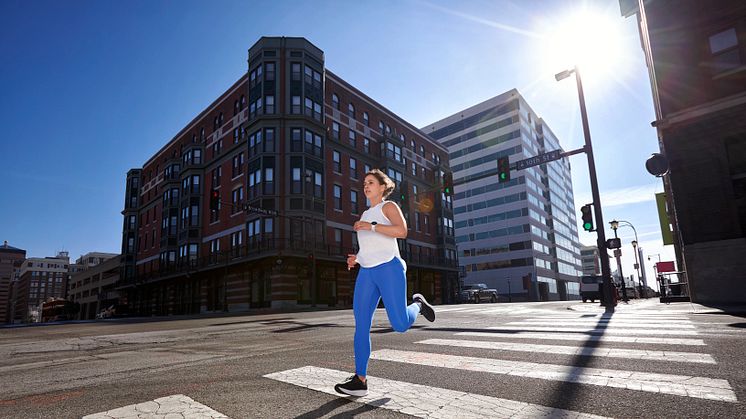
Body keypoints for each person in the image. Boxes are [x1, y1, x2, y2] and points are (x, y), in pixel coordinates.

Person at [334, 169, 435, 397]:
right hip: (367, 273)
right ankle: (360, 380)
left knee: (399, 325)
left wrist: (370, 226)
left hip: (390, 269)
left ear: (382, 187)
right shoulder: (364, 213)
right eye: (364, 183)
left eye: (371, 182)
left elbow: (401, 231)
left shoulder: (387, 207)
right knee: (361, 326)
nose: (366, 186)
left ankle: (418, 304)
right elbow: (371, 246)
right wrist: (357, 258)